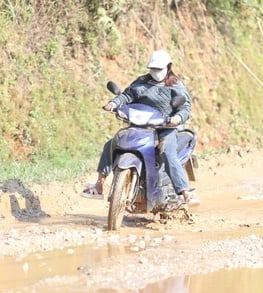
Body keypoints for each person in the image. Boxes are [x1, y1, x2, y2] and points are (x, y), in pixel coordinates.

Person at [80, 49, 200, 206]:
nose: (156, 72)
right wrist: (113, 104)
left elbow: (185, 107)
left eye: (159, 69)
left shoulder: (175, 85)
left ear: (168, 67)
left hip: (164, 129)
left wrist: (177, 118)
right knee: (111, 144)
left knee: (167, 153)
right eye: (153, 69)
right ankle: (99, 185)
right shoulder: (142, 82)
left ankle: (185, 193)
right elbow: (126, 96)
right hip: (139, 126)